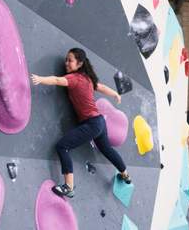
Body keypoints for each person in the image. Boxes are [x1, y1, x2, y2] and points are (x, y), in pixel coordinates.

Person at [31, 48, 131, 198]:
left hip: (92, 124)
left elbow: (58, 80)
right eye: (66, 60)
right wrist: (115, 93)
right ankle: (125, 175)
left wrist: (40, 79)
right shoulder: (87, 78)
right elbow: (101, 87)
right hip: (99, 122)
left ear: (79, 64)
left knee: (62, 146)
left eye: (70, 60)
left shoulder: (75, 78)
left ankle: (69, 187)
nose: (66, 63)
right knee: (106, 150)